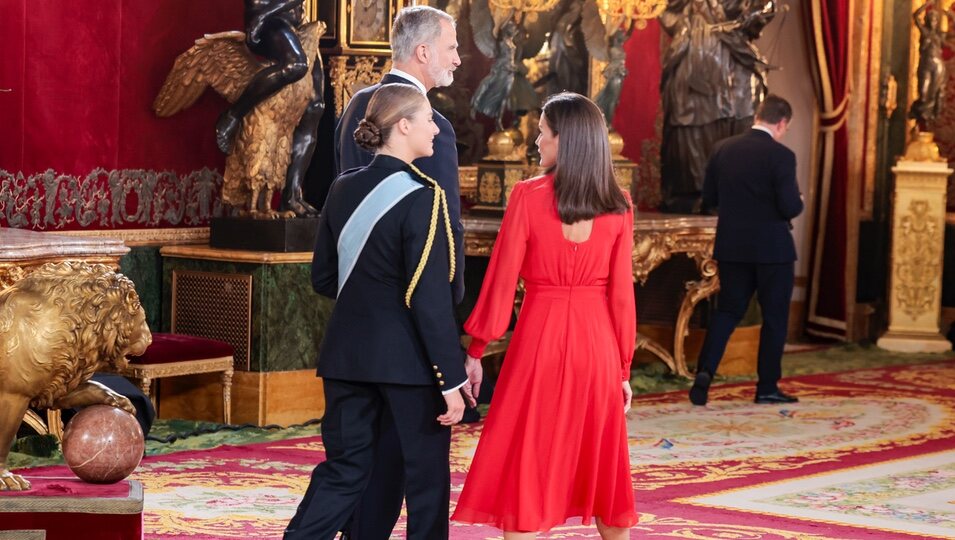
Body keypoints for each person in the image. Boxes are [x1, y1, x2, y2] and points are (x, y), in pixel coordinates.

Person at [283, 83, 475, 539]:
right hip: (410, 366)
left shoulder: (342, 186)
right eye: (428, 119)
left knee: (345, 471)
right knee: (426, 483)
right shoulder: (425, 196)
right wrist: (451, 379)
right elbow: (428, 300)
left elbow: (324, 278)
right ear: (403, 126)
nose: (435, 128)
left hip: (346, 357)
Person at [452, 92, 638, 537]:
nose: (536, 141)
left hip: (540, 341)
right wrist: (623, 368)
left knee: (530, 462)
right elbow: (622, 297)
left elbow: (500, 281)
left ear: (564, 140)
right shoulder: (620, 204)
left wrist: (477, 347)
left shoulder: (527, 196)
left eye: (542, 132)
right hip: (597, 348)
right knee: (605, 465)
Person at [333, 7, 481, 538]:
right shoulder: (427, 122)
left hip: (355, 321)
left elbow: (341, 207)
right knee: (421, 469)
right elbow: (445, 232)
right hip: (415, 326)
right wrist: (454, 327)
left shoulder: (354, 107)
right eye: (451, 48)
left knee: (369, 463)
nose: (458, 59)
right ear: (422, 52)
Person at [688, 94, 803, 407]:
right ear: (781, 123)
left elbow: (709, 196)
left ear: (758, 115)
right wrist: (800, 200)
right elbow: (790, 206)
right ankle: (766, 387)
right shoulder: (782, 156)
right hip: (773, 251)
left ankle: (705, 374)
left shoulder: (722, 149)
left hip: (732, 246)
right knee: (775, 317)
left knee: (726, 313)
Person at [659, 0, 776, 213]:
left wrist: (752, 14)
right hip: (693, 45)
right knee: (689, 117)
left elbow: (764, 8)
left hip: (734, 51)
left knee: (742, 115)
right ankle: (691, 194)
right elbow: (663, 10)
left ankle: (733, 192)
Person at [215, 0, 322, 216]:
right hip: (269, 20)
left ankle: (292, 195)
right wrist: (263, 17)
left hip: (290, 21)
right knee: (296, 65)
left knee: (315, 106)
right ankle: (233, 114)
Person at [910, 1, 955, 127]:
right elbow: (915, 16)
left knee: (934, 94)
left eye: (935, 20)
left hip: (938, 66)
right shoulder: (924, 31)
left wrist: (948, 13)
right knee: (923, 93)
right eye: (931, 19)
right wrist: (928, 3)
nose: (933, 22)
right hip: (925, 64)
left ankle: (927, 120)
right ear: (927, 20)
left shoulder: (940, 35)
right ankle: (920, 116)